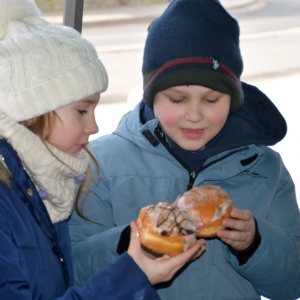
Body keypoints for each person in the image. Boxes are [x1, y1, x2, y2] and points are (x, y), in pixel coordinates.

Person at [69, 0, 300, 299]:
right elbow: (70, 271)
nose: (194, 115)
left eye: (212, 99)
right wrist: (133, 240)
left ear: (234, 97)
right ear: (149, 96)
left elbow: (292, 284)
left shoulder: (264, 168)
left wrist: (255, 243)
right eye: (177, 99)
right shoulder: (100, 163)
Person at [0, 0, 206, 299]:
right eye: (82, 110)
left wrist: (139, 274)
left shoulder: (42, 187)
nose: (94, 127)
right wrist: (133, 275)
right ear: (32, 111)